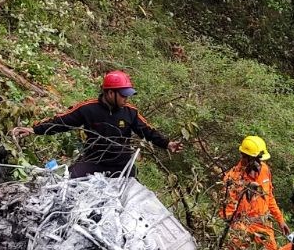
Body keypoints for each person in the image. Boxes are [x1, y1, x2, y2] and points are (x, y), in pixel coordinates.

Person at [11, 71, 183, 178]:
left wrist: (167, 144)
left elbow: (148, 131)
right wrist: (34, 129)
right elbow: (62, 121)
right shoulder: (88, 109)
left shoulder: (130, 112)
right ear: (109, 93)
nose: (126, 98)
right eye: (123, 95)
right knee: (69, 183)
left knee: (131, 198)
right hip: (93, 161)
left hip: (121, 165)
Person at [221, 136, 288, 250]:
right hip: (242, 225)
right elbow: (227, 213)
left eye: (260, 159)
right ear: (245, 157)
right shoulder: (232, 179)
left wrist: (280, 219)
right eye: (256, 159)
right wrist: (236, 229)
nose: (259, 163)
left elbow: (269, 197)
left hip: (263, 224)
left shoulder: (264, 170)